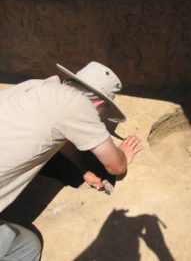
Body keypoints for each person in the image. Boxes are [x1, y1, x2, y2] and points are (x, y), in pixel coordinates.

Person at [0, 61, 143, 260]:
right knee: (28, 247)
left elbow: (61, 135)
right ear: (100, 103)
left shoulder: (39, 87)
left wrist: (83, 168)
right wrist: (124, 156)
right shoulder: (80, 105)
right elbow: (115, 166)